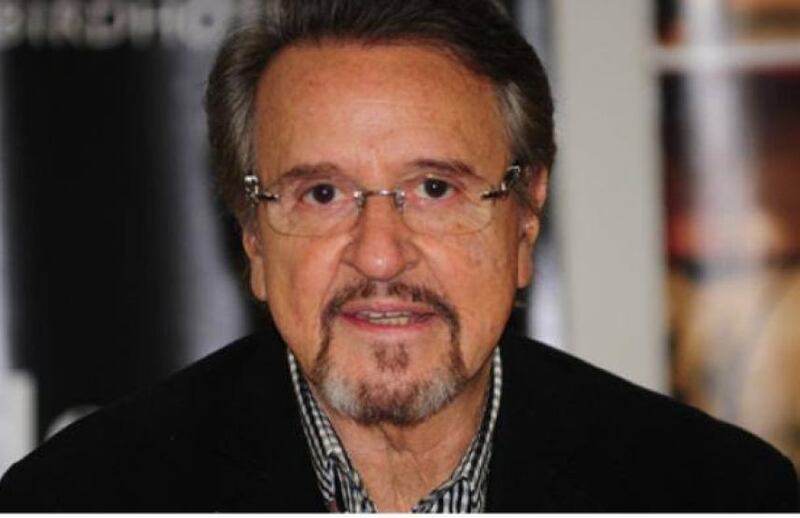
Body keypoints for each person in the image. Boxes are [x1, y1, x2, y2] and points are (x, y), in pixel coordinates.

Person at [0, 0, 796, 512]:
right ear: (252, 236)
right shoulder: (79, 498)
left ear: (525, 219)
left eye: (435, 189)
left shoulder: (716, 492)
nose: (380, 257)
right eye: (321, 194)